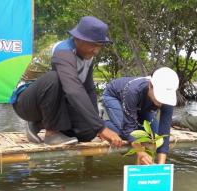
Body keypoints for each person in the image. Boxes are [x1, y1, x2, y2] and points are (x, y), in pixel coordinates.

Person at [11, 16, 122, 147]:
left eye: (99, 46)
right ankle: (51, 133)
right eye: (93, 45)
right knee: (55, 77)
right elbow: (73, 90)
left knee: (87, 132)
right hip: (26, 103)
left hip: (53, 106)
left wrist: (96, 125)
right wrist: (102, 128)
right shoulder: (63, 52)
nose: (96, 51)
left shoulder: (88, 57)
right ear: (78, 39)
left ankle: (38, 124)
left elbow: (89, 90)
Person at [102, 67, 179, 165]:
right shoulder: (133, 90)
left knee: (154, 137)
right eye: (159, 97)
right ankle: (101, 124)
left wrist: (161, 165)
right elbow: (128, 130)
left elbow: (164, 132)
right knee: (123, 133)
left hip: (141, 106)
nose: (161, 103)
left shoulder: (168, 95)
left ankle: (130, 116)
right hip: (114, 96)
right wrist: (140, 152)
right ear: (150, 85)